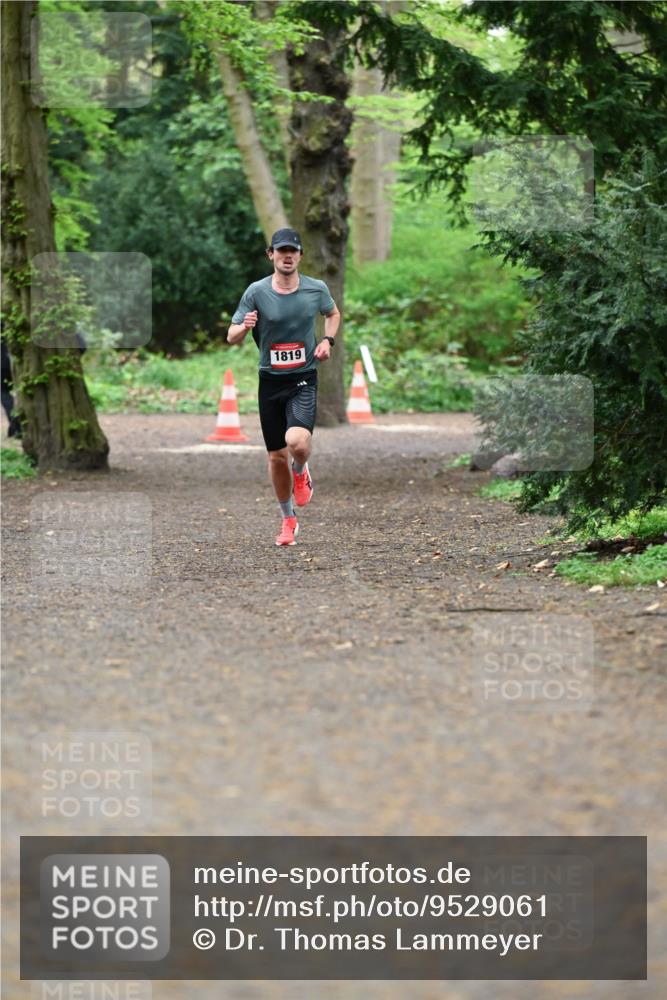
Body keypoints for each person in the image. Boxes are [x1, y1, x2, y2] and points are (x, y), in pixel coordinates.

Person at [228, 228, 341, 546]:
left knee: (297, 442)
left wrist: (327, 341)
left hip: (302, 377)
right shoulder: (256, 292)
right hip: (270, 381)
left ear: (300, 256)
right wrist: (243, 327)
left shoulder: (316, 289)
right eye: (281, 251)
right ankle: (288, 520)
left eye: (293, 251)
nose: (287, 256)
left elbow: (332, 314)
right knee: (276, 457)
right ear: (271, 255)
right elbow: (231, 334)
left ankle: (302, 470)